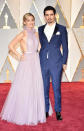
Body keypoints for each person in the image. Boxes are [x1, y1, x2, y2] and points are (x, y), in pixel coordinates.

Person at [0, 13, 46, 125]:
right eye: (28, 20)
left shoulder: (36, 33)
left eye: (32, 20)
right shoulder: (23, 33)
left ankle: (35, 112)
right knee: (25, 86)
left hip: (35, 60)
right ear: (24, 22)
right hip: (26, 62)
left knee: (35, 85)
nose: (31, 23)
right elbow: (10, 45)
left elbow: (40, 47)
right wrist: (20, 55)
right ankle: (23, 112)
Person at [38, 6, 68, 120]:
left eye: (51, 14)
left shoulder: (62, 28)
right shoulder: (40, 29)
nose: (49, 17)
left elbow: (65, 47)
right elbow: (40, 45)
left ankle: (58, 111)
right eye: (47, 15)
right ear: (44, 16)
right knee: (44, 87)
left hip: (56, 63)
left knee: (56, 88)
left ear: (54, 15)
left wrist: (64, 61)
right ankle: (45, 110)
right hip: (43, 62)